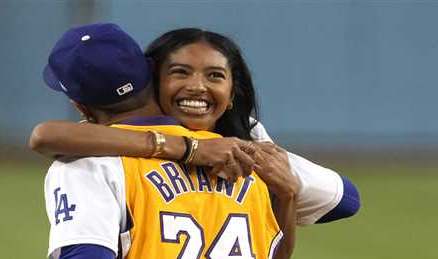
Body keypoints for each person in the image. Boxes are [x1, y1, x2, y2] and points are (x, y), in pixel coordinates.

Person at [34, 23, 294, 259]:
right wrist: (288, 195)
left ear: (79, 105)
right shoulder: (241, 158)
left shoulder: (87, 162)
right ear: (152, 76)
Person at [30, 28, 360, 227]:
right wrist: (190, 149)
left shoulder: (244, 138)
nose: (196, 87)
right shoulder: (108, 138)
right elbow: (47, 136)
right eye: (180, 72)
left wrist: (283, 192)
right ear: (152, 76)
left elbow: (345, 199)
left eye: (214, 75)